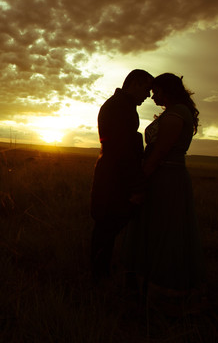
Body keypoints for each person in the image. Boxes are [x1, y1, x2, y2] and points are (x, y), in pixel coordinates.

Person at [122, 73, 205, 308]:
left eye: (156, 91)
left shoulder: (176, 114)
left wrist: (142, 178)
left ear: (167, 90)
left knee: (166, 229)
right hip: (164, 176)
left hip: (167, 179)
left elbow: (159, 153)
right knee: (157, 228)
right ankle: (148, 283)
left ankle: (165, 292)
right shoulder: (174, 112)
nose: (152, 95)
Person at [90, 69, 153, 283]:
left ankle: (98, 274)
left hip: (112, 175)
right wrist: (137, 187)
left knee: (106, 227)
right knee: (107, 227)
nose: (148, 96)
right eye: (146, 89)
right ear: (134, 83)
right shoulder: (120, 107)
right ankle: (97, 278)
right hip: (114, 178)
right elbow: (122, 150)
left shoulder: (120, 105)